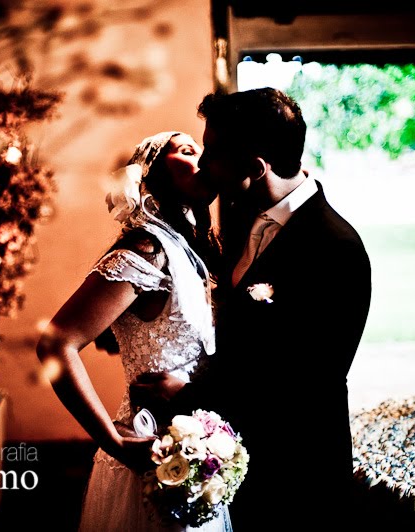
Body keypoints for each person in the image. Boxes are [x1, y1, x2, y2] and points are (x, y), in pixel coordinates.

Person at [131, 88, 372, 528]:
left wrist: (188, 397)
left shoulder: (336, 248)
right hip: (228, 469)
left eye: (213, 153)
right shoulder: (241, 214)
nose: (203, 163)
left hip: (296, 476)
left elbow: (304, 380)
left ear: (256, 168)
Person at [36, 131, 231, 531]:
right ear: (153, 175)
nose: (202, 157)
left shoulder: (195, 251)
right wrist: (114, 442)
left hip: (203, 452)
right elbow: (56, 343)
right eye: (187, 150)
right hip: (148, 450)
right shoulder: (145, 250)